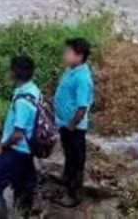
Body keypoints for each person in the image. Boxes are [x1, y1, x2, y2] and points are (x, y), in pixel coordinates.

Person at [0, 56, 40, 219]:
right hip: (28, 151)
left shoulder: (23, 101)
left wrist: (3, 145)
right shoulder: (33, 91)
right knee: (23, 187)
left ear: (15, 73)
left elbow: (18, 134)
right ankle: (22, 214)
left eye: (11, 69)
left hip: (17, 150)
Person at [53, 38, 94, 207]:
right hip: (65, 124)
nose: (65, 55)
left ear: (80, 56)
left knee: (77, 160)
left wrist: (71, 125)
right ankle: (66, 178)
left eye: (68, 53)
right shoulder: (71, 70)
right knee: (69, 156)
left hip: (74, 128)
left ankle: (73, 194)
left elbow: (82, 107)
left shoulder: (82, 78)